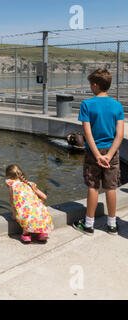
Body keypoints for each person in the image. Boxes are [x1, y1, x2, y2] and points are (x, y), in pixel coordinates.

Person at [72, 68, 124, 236]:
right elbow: (120, 135)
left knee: (93, 187)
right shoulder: (117, 106)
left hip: (93, 153)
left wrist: (97, 155)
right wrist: (108, 155)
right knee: (111, 188)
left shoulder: (87, 104)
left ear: (95, 84)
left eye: (90, 84)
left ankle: (88, 225)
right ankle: (112, 225)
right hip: (112, 152)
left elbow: (87, 134)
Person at [5, 164, 54, 244]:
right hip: (43, 214)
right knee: (35, 213)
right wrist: (38, 202)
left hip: (28, 218)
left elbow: (12, 202)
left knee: (25, 215)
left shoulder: (12, 186)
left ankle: (26, 235)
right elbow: (44, 197)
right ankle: (42, 233)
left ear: (8, 177)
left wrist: (14, 214)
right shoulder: (30, 184)